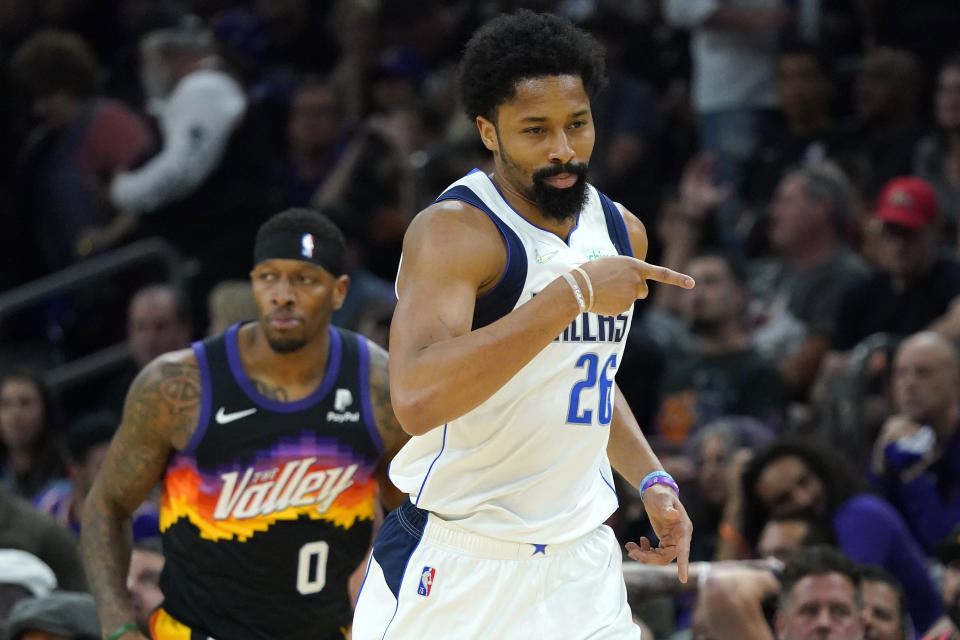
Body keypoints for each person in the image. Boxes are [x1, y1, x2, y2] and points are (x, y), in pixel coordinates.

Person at [352, 11, 695, 640]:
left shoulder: (620, 230)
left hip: (580, 564)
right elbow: (418, 398)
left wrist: (649, 477)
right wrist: (572, 294)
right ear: (488, 131)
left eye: (578, 125)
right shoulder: (456, 233)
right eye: (535, 130)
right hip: (459, 566)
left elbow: (585, 375)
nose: (563, 149)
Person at [81, 208, 409, 640]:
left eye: (304, 280)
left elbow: (412, 519)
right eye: (269, 277)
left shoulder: (379, 387)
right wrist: (118, 625)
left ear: (339, 291)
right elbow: (106, 505)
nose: (283, 295)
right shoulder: (178, 385)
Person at [871, 331, 960, 553]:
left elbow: (946, 545)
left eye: (923, 373)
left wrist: (913, 472)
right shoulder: (894, 439)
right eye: (901, 373)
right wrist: (879, 466)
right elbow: (873, 528)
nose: (909, 384)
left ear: (956, 383)